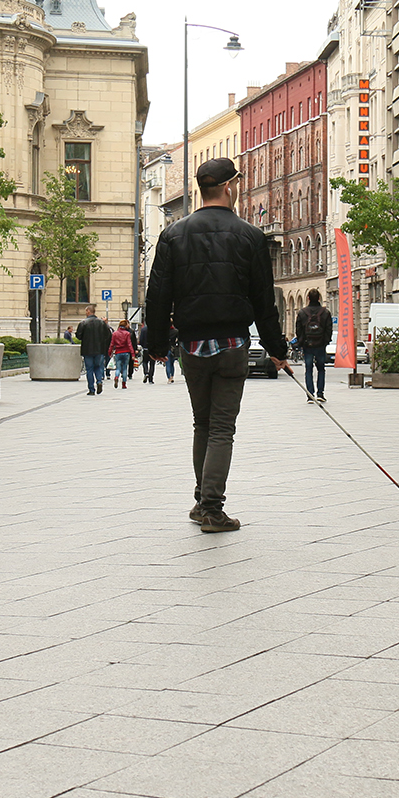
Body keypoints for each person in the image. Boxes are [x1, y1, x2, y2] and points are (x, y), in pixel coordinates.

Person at [145, 156, 290, 532]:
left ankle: (201, 501)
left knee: (203, 424)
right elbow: (264, 301)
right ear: (229, 187)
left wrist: (157, 343)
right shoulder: (251, 237)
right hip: (231, 344)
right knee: (223, 427)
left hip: (191, 345)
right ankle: (211, 507)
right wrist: (277, 348)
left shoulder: (173, 235)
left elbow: (158, 295)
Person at [295, 289, 333, 403]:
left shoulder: (302, 313)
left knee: (308, 369)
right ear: (319, 298)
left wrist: (302, 342)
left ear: (308, 298)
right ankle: (320, 393)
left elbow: (298, 330)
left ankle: (310, 395)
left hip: (308, 345)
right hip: (320, 345)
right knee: (321, 369)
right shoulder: (325, 312)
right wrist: (325, 341)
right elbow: (328, 329)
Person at [77, 305, 111, 395]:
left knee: (89, 369)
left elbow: (78, 336)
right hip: (99, 349)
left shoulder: (83, 323)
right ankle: (99, 381)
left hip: (87, 350)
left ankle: (91, 389)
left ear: (88, 311)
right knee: (99, 366)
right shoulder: (102, 323)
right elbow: (108, 335)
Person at [110, 319, 136, 389]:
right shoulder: (127, 334)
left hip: (118, 352)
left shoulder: (114, 333)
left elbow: (112, 344)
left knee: (118, 368)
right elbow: (129, 344)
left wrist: (110, 352)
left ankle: (116, 376)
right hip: (126, 352)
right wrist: (133, 354)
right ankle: (124, 384)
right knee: (124, 368)